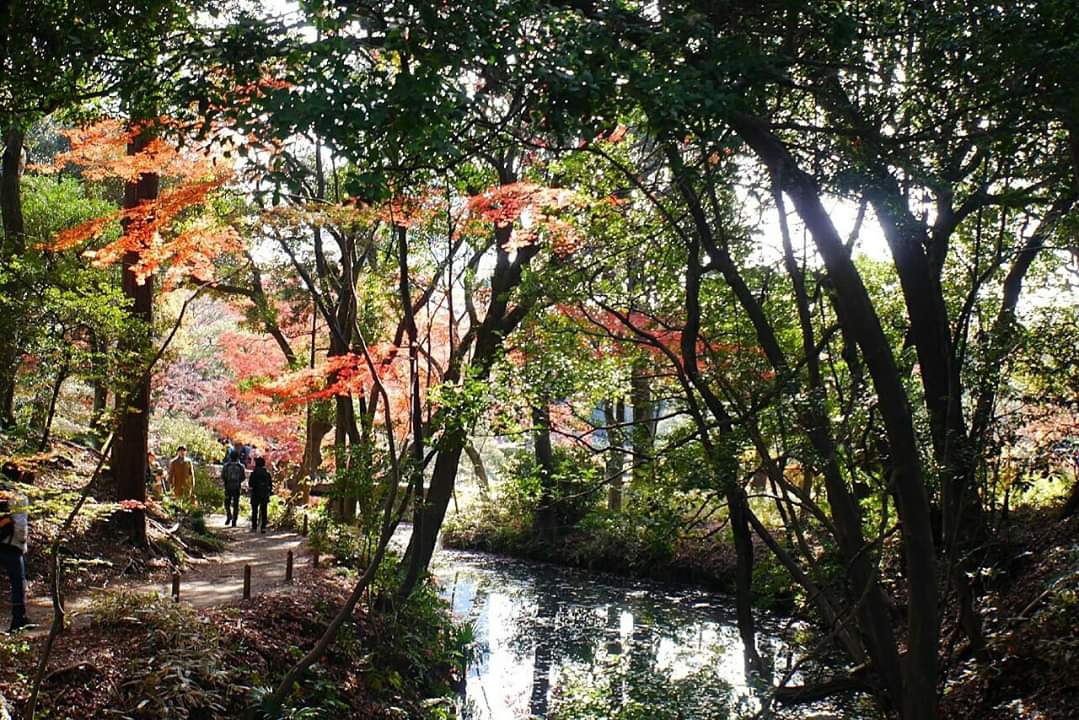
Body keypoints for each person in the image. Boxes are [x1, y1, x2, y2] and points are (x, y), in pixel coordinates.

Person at [0, 468, 29, 632]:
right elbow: (20, 524)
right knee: (18, 582)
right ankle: (18, 620)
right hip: (12, 545)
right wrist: (22, 542)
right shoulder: (18, 495)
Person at [221, 451, 246, 527]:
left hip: (228, 486)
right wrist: (238, 482)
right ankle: (234, 520)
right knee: (236, 504)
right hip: (237, 487)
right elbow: (243, 477)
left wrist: (226, 482)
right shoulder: (241, 466)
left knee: (227, 503)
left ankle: (229, 515)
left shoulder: (226, 466)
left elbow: (223, 476)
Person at [249, 456, 272, 533]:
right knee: (264, 510)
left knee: (254, 510)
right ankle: (263, 527)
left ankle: (254, 526)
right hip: (264, 494)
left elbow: (250, 484)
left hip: (255, 493)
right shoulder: (267, 473)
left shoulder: (254, 473)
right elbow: (270, 485)